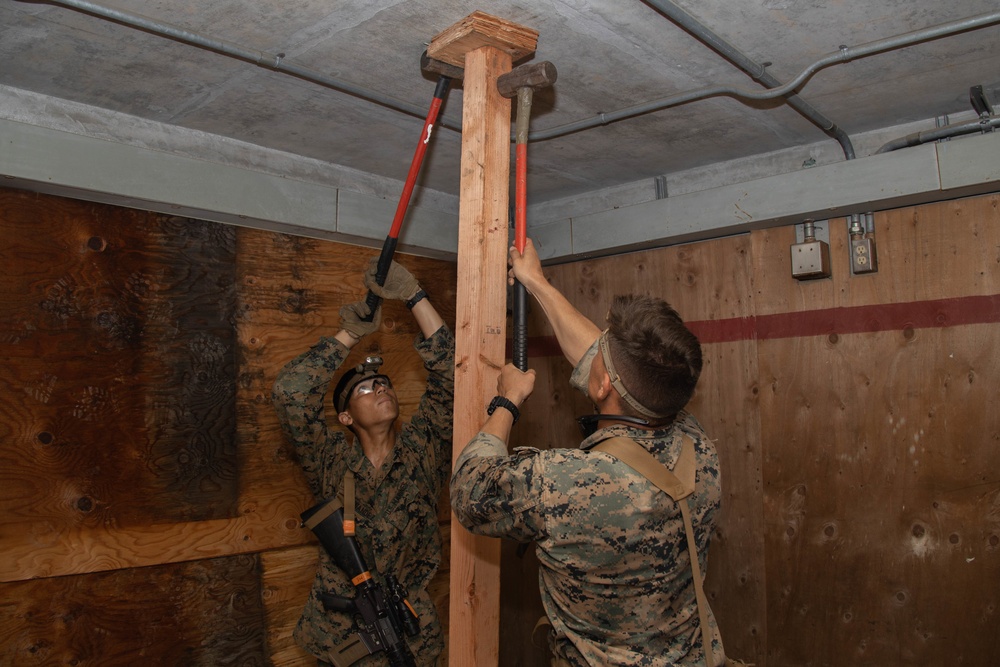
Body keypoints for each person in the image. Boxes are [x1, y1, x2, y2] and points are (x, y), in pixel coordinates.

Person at [450, 238, 726, 666]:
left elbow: (470, 489)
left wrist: (507, 401)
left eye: (603, 352)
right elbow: (610, 367)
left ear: (603, 386)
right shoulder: (697, 446)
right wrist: (536, 282)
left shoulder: (566, 483)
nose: (594, 350)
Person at [273, 258, 454, 667]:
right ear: (346, 418)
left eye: (385, 384)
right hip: (341, 637)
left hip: (409, 635)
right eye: (367, 389)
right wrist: (349, 334)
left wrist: (413, 295)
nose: (381, 390)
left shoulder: (423, 448)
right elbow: (290, 393)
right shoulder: (331, 459)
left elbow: (452, 376)